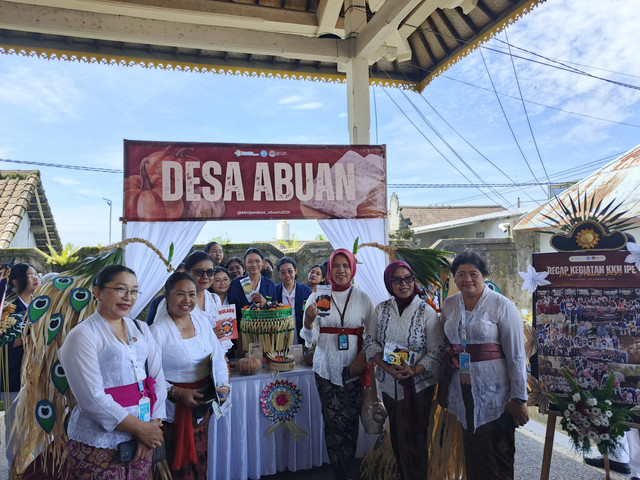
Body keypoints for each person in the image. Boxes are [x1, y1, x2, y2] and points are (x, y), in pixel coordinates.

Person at [58, 265, 166, 479]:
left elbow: (157, 378)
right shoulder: (83, 335)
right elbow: (92, 398)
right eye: (120, 289)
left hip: (144, 436)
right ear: (97, 292)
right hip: (99, 443)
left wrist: (152, 424)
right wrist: (140, 429)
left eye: (134, 291)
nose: (128, 297)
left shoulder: (141, 328)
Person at [440, 250, 527, 480]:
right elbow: (446, 344)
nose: (467, 279)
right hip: (462, 391)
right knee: (472, 452)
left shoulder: (502, 305)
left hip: (496, 394)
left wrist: (519, 398)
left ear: (484, 275)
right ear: (454, 277)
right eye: (461, 274)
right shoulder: (449, 305)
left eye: (473, 274)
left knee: (498, 455)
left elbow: (516, 355)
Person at [365, 261, 444, 480]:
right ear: (389, 284)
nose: (403, 284)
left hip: (419, 387)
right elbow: (370, 342)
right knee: (398, 438)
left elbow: (437, 351)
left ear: (414, 280)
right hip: (390, 386)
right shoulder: (381, 310)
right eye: (397, 280)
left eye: (408, 278)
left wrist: (415, 370)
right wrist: (385, 368)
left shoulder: (426, 311)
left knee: (416, 440)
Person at [301, 248, 374, 480]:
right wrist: (308, 322)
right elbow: (310, 340)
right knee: (333, 423)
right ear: (329, 270)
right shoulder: (317, 297)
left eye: (345, 265)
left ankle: (349, 469)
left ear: (352, 268)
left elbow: (372, 334)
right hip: (326, 368)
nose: (341, 270)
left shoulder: (363, 298)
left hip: (354, 368)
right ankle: (339, 473)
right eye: (336, 266)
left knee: (351, 422)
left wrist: (361, 358)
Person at [150, 272, 230, 479]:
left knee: (201, 457)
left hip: (204, 403)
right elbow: (150, 376)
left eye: (192, 294)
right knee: (177, 462)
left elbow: (218, 356)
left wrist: (223, 385)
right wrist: (176, 392)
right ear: (166, 296)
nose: (187, 300)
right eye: (180, 294)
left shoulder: (201, 322)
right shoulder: (157, 332)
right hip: (174, 409)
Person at [2, 263, 40, 472]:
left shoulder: (40, 304)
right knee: (16, 431)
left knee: (39, 428)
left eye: (37, 274)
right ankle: (15, 472)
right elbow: (5, 343)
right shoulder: (8, 307)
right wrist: (33, 337)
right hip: (14, 377)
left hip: (39, 376)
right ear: (16, 281)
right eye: (31, 275)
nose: (36, 278)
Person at [228, 248, 277, 353]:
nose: (254, 264)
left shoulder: (270, 284)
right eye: (250, 261)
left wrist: (266, 303)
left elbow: (276, 309)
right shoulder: (236, 283)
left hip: (266, 331)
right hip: (244, 333)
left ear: (263, 262)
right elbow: (233, 310)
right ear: (244, 263)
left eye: (257, 261)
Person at [275, 257, 312, 344]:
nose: (287, 275)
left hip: (299, 331)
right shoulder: (275, 290)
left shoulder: (305, 290)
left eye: (290, 271)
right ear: (279, 275)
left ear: (296, 271)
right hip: (280, 334)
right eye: (283, 272)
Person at [184, 251, 221, 327]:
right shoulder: (176, 301)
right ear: (187, 273)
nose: (205, 276)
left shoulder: (215, 299)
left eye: (210, 272)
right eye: (199, 272)